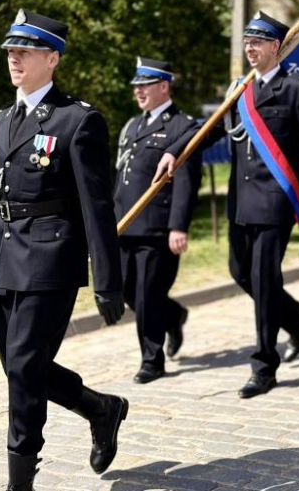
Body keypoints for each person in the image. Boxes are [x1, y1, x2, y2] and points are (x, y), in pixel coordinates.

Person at [0, 10, 127, 490]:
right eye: (10, 51)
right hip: (6, 260)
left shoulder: (77, 121)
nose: (13, 58)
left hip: (51, 261)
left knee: (24, 368)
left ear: (53, 58)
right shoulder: (1, 122)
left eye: (24, 50)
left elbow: (97, 208)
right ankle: (101, 409)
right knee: (22, 368)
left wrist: (108, 282)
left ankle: (19, 481)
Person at [154, 11, 299, 398]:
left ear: (276, 47)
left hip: (275, 202)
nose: (250, 47)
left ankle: (264, 365)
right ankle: (296, 318)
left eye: (258, 42)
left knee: (264, 279)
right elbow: (210, 129)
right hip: (241, 202)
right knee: (240, 272)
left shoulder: (297, 89)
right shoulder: (241, 89)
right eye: (247, 41)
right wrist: (175, 152)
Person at [113, 57, 201, 384]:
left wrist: (178, 226)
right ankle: (173, 315)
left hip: (155, 227)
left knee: (149, 294)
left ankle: (152, 359)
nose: (138, 91)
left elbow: (188, 181)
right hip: (125, 224)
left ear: (164, 86)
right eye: (136, 86)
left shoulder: (183, 127)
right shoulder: (133, 125)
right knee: (123, 289)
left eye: (145, 85)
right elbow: (122, 178)